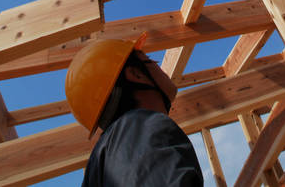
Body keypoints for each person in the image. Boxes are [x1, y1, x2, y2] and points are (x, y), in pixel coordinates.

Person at [66, 36, 204, 186]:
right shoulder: (143, 128)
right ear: (136, 74)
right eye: (151, 61)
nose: (161, 68)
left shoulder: (100, 164)